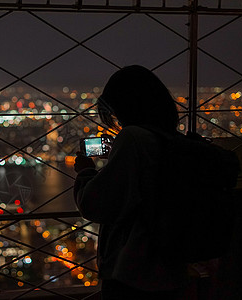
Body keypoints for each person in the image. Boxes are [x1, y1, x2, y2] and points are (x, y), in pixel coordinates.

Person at [74, 65, 187, 299]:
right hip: (172, 268)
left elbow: (93, 204)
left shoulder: (133, 138)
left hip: (133, 273)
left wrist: (86, 172)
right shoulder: (172, 139)